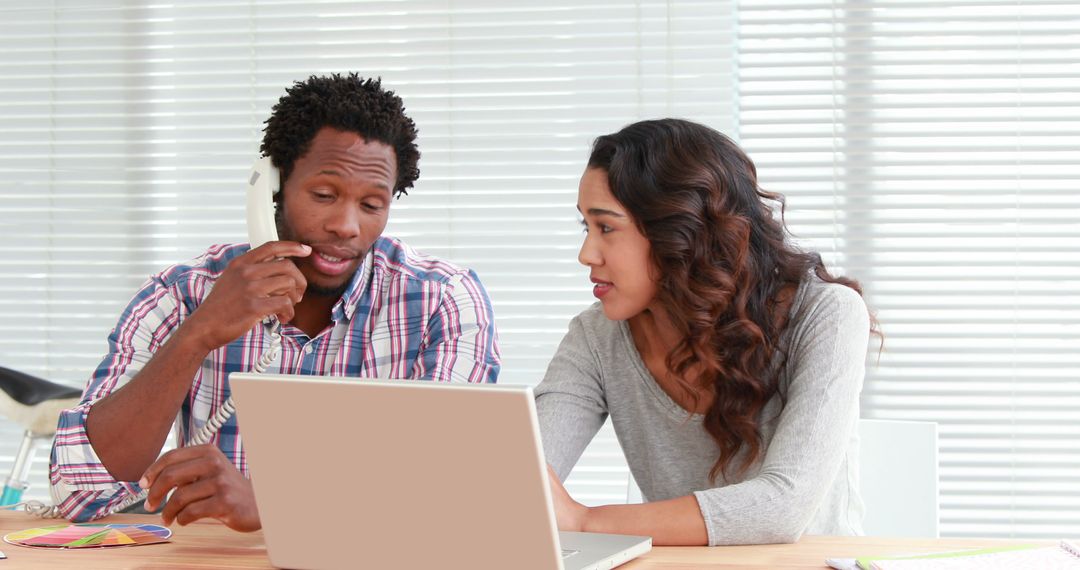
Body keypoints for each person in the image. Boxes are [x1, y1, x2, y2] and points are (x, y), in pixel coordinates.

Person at [49, 73, 501, 530]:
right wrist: (199, 334)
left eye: (371, 205)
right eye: (324, 195)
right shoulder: (183, 294)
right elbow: (79, 491)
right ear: (272, 188)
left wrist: (272, 505)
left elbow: (454, 495)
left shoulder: (441, 301)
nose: (346, 226)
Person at [536, 118, 876, 546]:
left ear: (681, 230)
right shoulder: (597, 335)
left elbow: (782, 507)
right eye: (586, 227)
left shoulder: (826, 313)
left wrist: (586, 522)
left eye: (606, 227)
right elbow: (526, 479)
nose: (586, 254)